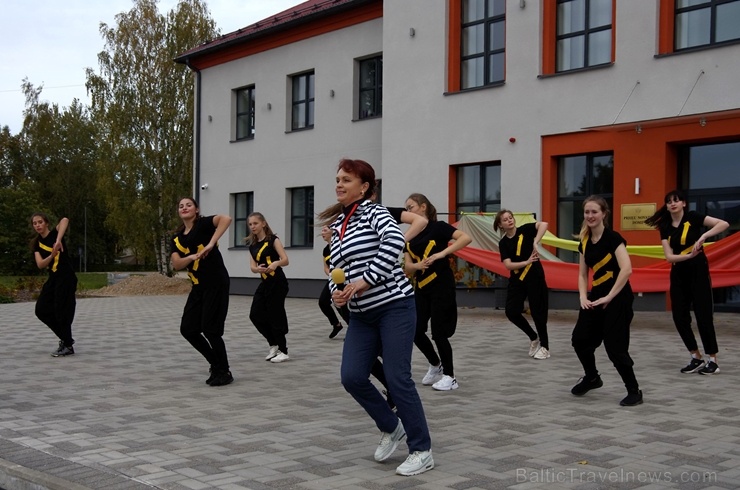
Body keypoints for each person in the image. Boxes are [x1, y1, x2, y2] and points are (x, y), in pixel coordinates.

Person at [323, 158, 433, 476]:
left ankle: (422, 449)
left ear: (364, 186)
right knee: (352, 377)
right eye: (338, 179)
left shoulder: (375, 212)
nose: (339, 184)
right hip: (362, 316)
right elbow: (337, 266)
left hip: (394, 307)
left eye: (346, 180)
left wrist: (365, 281)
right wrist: (337, 290)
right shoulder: (342, 223)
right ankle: (391, 426)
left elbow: (395, 241)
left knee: (398, 379)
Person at [645, 190, 729, 375]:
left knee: (703, 314)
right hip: (678, 271)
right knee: (679, 316)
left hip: (698, 269)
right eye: (669, 201)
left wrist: (703, 237)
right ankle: (695, 356)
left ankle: (712, 359)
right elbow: (668, 257)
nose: (672, 204)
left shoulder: (693, 217)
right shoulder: (665, 226)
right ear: (666, 206)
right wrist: (687, 256)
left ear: (683, 203)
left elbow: (723, 224)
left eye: (676, 200)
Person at [570, 196, 642, 406]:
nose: (590, 216)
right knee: (580, 340)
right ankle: (592, 377)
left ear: (604, 214)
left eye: (594, 212)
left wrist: (610, 296)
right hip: (595, 296)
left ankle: (634, 390)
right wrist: (583, 296)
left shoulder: (613, 238)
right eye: (587, 212)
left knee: (615, 347)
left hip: (617, 297)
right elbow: (583, 275)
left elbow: (627, 269)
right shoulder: (584, 241)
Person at [403, 193, 472, 391]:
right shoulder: (409, 235)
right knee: (415, 331)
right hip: (421, 287)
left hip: (441, 285)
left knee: (439, 333)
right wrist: (418, 266)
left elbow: (465, 238)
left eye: (411, 207)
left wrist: (442, 253)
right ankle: (435, 364)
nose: (408, 212)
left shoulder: (439, 227)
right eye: (406, 209)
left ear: (423, 207)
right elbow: (407, 266)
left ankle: (450, 377)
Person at [170, 197, 233, 386]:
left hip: (216, 283)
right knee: (188, 329)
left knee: (211, 329)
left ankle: (224, 371)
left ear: (196, 209)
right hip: (198, 287)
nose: (184, 208)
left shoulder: (204, 224)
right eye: (181, 206)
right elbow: (176, 264)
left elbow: (226, 219)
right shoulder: (177, 238)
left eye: (189, 205)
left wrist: (211, 243)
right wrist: (191, 257)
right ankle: (216, 364)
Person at [494, 210, 551, 360]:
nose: (509, 221)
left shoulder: (525, 230)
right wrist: (525, 262)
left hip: (534, 276)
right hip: (517, 279)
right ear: (500, 225)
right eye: (505, 220)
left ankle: (545, 347)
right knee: (511, 311)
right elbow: (508, 265)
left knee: (538, 311)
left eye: (510, 218)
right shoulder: (503, 243)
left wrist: (535, 241)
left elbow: (544, 224)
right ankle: (533, 337)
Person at [31, 213, 78, 357]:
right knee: (41, 309)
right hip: (53, 278)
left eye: (40, 222)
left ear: (46, 223)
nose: (38, 225)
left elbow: (65, 219)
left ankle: (67, 345)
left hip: (66, 277)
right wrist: (52, 255)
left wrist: (58, 241)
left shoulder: (56, 234)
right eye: (35, 223)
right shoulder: (36, 244)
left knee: (62, 310)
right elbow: (40, 264)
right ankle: (66, 340)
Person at [247, 212, 291, 363]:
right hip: (264, 283)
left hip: (277, 282)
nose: (253, 226)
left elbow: (285, 260)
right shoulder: (252, 246)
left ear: (263, 224)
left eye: (255, 223)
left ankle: (284, 351)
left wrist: (275, 264)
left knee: (275, 315)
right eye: (250, 224)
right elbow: (252, 267)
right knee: (255, 314)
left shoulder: (273, 240)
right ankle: (273, 344)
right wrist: (257, 269)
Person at [319, 225, 348, 339]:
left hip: (344, 278)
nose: (322, 233)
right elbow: (326, 267)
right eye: (322, 231)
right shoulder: (326, 249)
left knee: (340, 304)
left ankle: (354, 329)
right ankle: (336, 324)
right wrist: (329, 273)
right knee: (323, 302)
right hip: (333, 279)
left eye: (325, 230)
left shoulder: (341, 245)